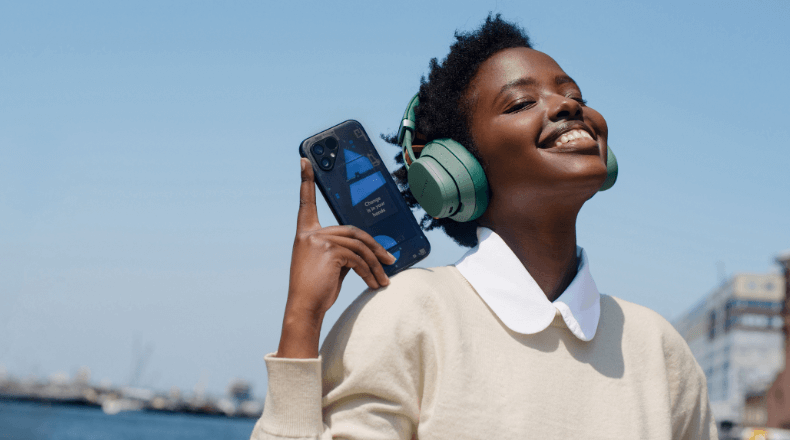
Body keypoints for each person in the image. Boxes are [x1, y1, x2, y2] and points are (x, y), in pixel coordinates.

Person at [251, 14, 717, 440]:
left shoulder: (658, 348)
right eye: (520, 103)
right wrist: (301, 319)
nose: (567, 107)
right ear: (457, 170)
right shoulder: (407, 315)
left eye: (574, 96)